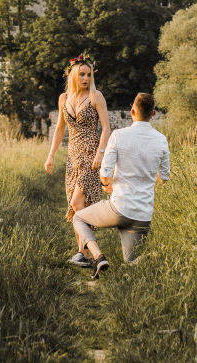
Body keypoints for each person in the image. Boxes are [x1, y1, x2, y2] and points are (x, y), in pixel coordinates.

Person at [73, 92, 170, 279]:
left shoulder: (118, 135)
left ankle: (98, 256)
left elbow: (105, 173)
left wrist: (105, 184)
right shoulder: (161, 140)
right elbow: (163, 178)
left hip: (118, 209)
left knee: (79, 218)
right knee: (132, 264)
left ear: (131, 111)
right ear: (154, 114)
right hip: (143, 215)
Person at [44, 55, 111, 267]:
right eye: (81, 74)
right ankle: (84, 255)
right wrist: (51, 154)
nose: (85, 78)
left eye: (88, 75)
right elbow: (59, 129)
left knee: (77, 202)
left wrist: (101, 152)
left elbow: (106, 128)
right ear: (73, 74)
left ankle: (86, 252)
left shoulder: (95, 96)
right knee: (76, 206)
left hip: (91, 155)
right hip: (73, 156)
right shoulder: (63, 98)